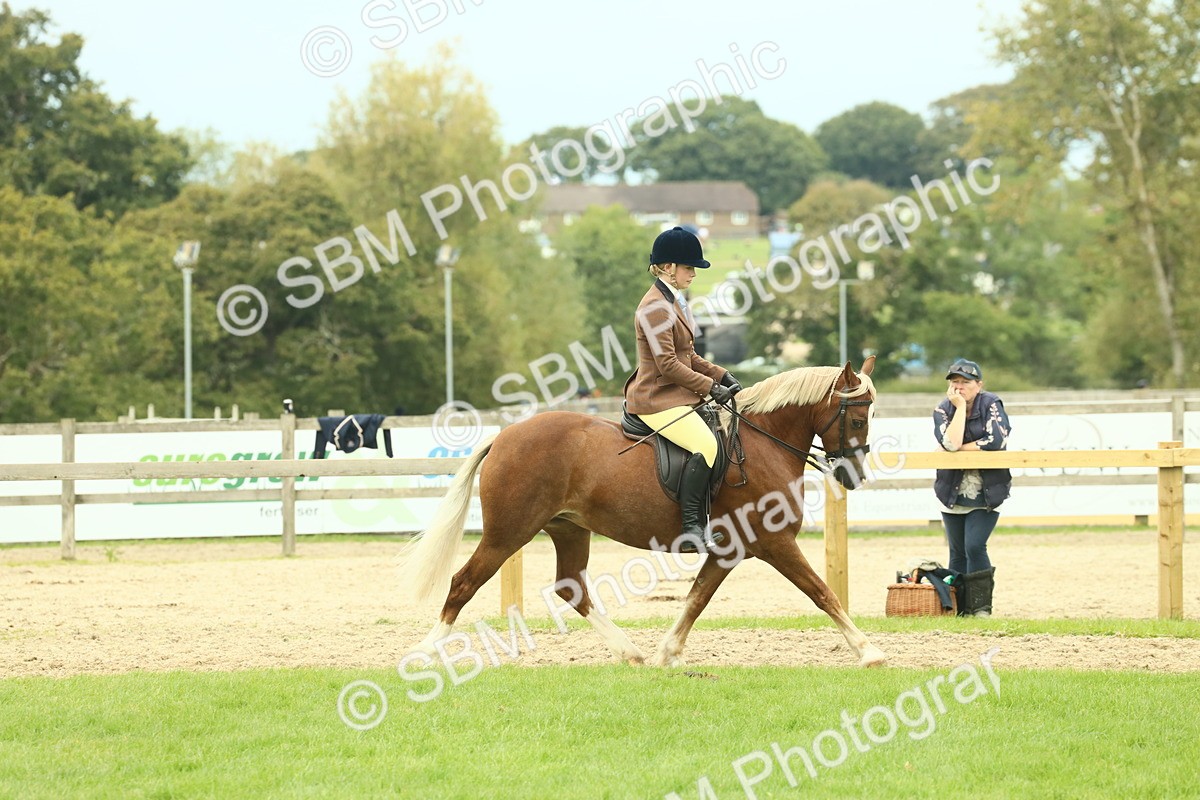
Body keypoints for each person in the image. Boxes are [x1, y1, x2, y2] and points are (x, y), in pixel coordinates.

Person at [624, 226, 741, 554]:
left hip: (675, 394)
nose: (693, 273)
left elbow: (688, 356)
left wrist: (723, 375)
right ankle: (691, 528)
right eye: (688, 267)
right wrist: (711, 388)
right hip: (655, 399)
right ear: (667, 267)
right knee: (706, 444)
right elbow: (667, 365)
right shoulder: (655, 308)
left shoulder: (675, 302)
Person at [932, 358, 1012, 617]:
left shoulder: (991, 403)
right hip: (951, 491)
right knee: (956, 552)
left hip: (987, 491)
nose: (959, 387)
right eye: (955, 382)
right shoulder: (944, 408)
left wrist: (954, 449)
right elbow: (950, 442)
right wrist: (958, 409)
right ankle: (960, 609)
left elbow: (996, 440)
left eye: (965, 383)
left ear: (979, 385)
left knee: (975, 546)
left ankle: (981, 608)